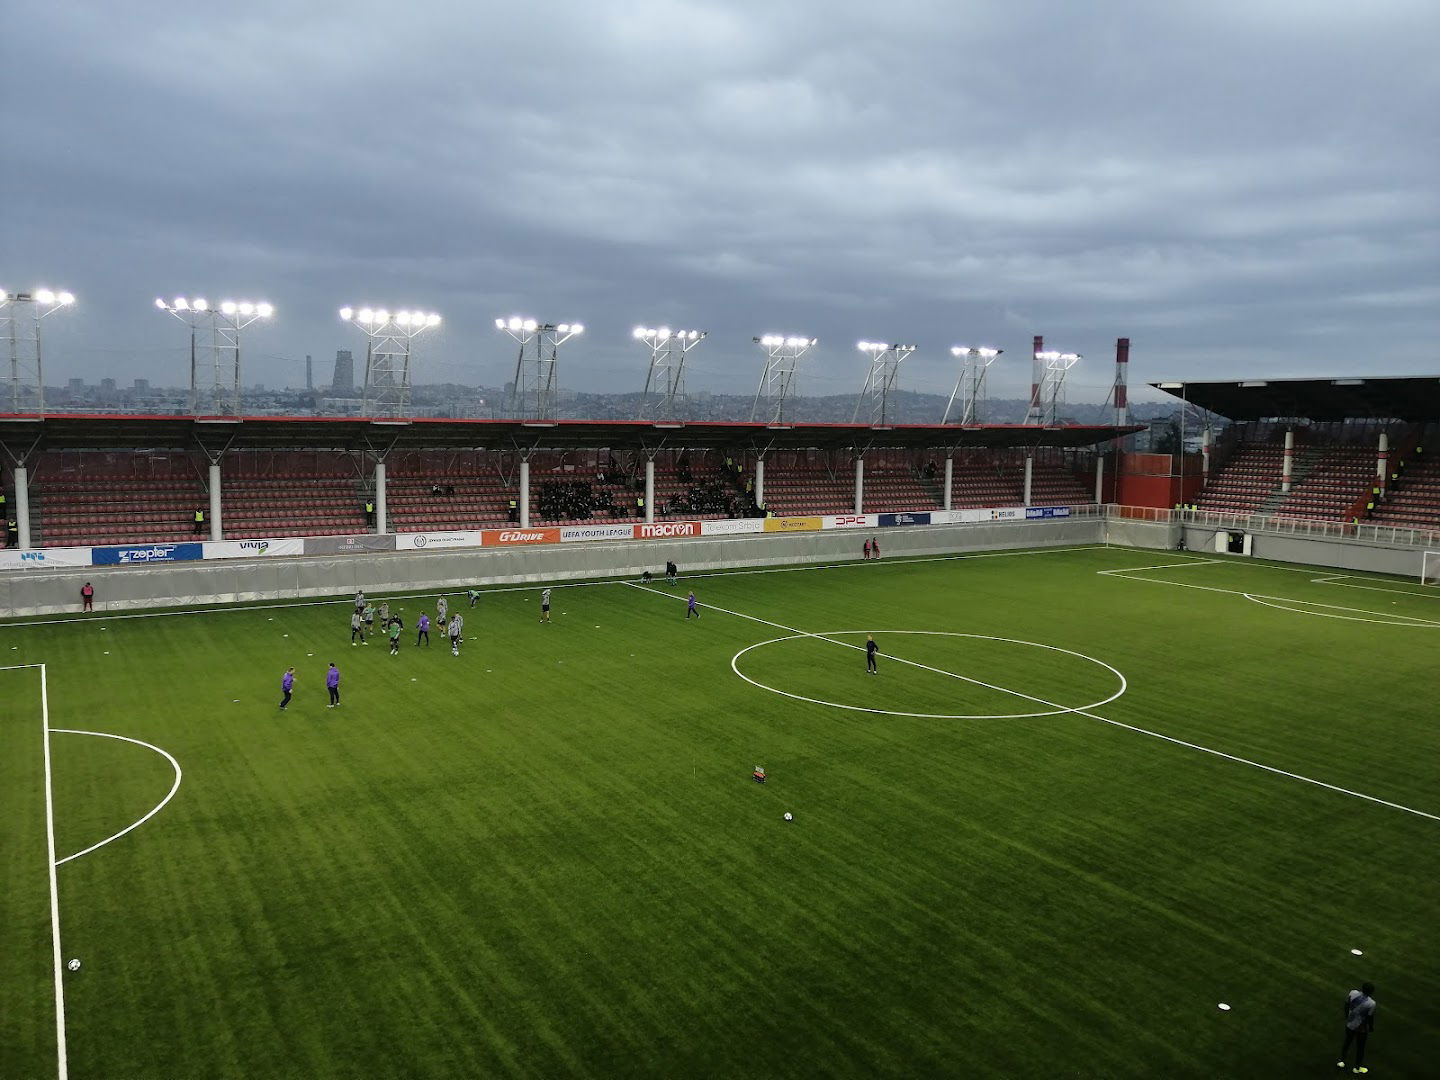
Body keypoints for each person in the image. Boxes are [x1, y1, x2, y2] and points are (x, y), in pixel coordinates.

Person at [1338, 982, 1377, 1074]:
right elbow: (1369, 1017)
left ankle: (1341, 1061)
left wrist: (1347, 1016)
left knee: (1347, 1042)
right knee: (1360, 1048)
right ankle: (1357, 1068)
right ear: (1371, 992)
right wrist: (1371, 1027)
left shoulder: (1353, 993)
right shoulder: (1371, 1003)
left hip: (1350, 1024)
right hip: (1361, 1028)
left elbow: (1346, 1004)